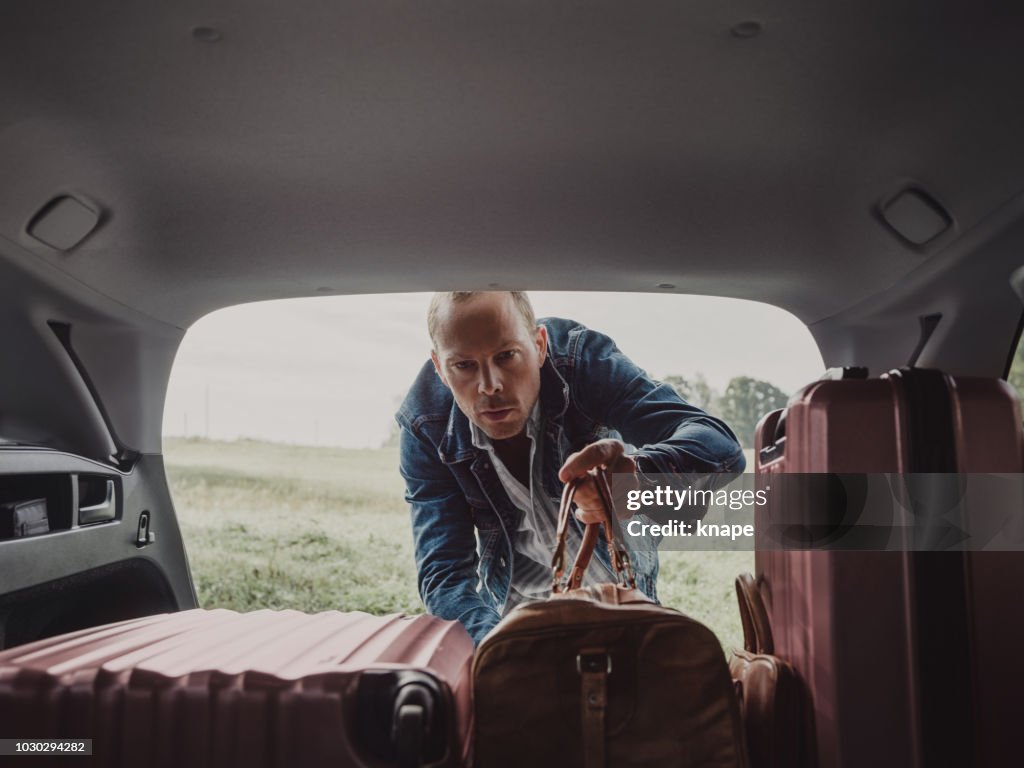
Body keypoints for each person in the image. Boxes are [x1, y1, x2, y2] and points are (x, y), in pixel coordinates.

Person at [395, 291, 745, 644]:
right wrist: (498, 646)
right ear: (439, 367)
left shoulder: (582, 362)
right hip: (511, 618)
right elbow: (444, 574)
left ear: (539, 344)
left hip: (621, 596)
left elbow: (721, 447)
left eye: (506, 356)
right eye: (464, 366)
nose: (490, 385)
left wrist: (637, 477)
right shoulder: (425, 423)